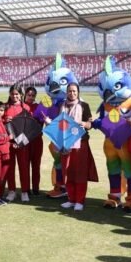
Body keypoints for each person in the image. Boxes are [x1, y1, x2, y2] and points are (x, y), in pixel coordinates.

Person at [53, 83, 97, 211]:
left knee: (80, 172)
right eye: (69, 91)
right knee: (68, 172)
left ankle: (80, 201)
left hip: (80, 143)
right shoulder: (62, 106)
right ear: (66, 92)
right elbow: (59, 124)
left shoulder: (84, 106)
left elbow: (90, 124)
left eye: (74, 91)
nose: (72, 93)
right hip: (65, 143)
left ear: (78, 92)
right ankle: (71, 199)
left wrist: (81, 123)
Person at [4, 84, 31, 202]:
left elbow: (29, 126)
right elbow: (0, 123)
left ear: (21, 95)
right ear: (10, 94)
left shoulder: (26, 107)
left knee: (23, 167)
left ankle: (24, 191)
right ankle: (11, 191)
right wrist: (5, 120)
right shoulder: (5, 107)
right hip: (9, 142)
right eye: (13, 94)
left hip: (22, 143)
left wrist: (21, 142)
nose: (15, 96)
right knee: (10, 167)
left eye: (17, 94)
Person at [23, 86, 45, 196]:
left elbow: (44, 120)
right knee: (25, 165)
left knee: (36, 165)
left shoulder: (39, 107)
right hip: (25, 141)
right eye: (29, 95)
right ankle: (26, 188)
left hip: (37, 140)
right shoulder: (22, 106)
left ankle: (36, 188)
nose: (31, 97)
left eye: (33, 95)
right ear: (25, 95)